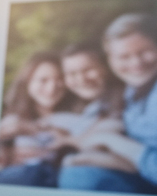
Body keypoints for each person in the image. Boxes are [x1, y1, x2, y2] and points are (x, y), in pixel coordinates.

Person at [59, 13, 157, 195]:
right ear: (110, 60)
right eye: (124, 57)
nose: (136, 63)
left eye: (144, 52)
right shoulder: (136, 86)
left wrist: (111, 140)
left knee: (81, 177)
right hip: (143, 176)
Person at [0, 52, 79, 187]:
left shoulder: (75, 117)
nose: (52, 87)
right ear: (27, 82)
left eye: (59, 79)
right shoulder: (11, 119)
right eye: (43, 80)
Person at [56, 43, 135, 176]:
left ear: (106, 67)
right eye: (72, 73)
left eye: (88, 70)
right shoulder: (80, 107)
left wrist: (70, 143)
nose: (81, 79)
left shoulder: (126, 99)